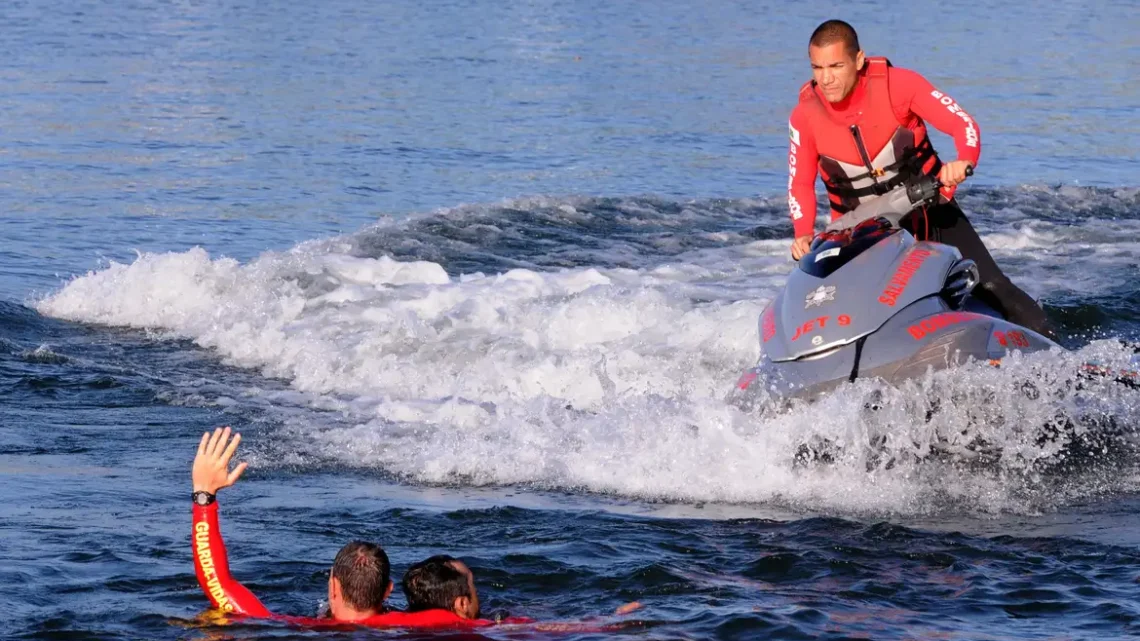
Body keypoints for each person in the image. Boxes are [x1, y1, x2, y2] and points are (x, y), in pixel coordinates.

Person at [785, 19, 1056, 340]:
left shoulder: (898, 85)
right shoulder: (805, 116)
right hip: (859, 236)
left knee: (993, 286)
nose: (826, 78)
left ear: (858, 61)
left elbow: (962, 123)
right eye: (817, 67)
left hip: (929, 213)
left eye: (835, 65)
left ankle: (1056, 350)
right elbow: (800, 183)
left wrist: (963, 160)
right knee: (845, 309)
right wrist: (802, 234)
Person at [189, 426, 527, 628]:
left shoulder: (295, 628)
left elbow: (217, 582)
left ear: (333, 586)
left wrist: (204, 495)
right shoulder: (437, 622)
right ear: (388, 592)